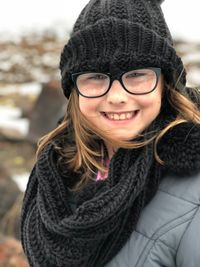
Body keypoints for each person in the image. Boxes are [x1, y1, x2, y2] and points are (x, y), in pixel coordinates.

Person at [21, 0, 200, 266]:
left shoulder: (193, 188)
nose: (117, 96)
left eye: (137, 74)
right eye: (95, 76)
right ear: (74, 91)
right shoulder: (58, 172)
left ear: (166, 84)